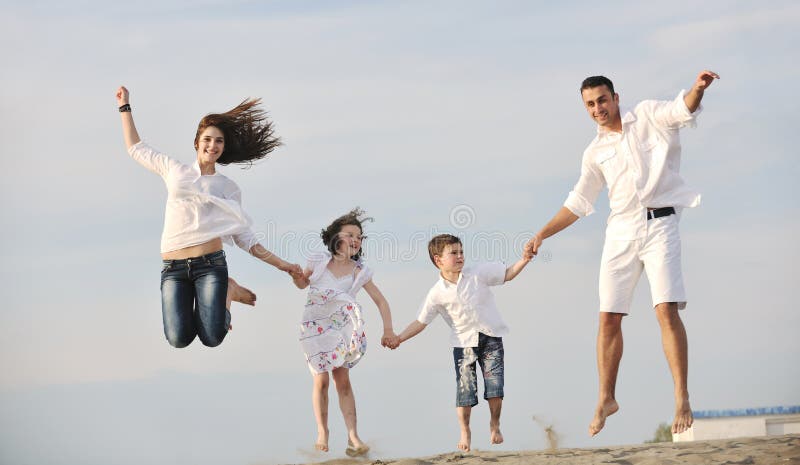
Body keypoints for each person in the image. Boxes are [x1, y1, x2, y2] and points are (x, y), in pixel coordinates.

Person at [524, 71, 720, 436]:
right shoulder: (594, 152)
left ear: (615, 97)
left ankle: (681, 396)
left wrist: (697, 90)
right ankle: (606, 397)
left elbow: (682, 110)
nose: (597, 108)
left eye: (602, 100)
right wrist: (542, 234)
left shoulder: (647, 115)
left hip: (660, 225)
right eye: (590, 104)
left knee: (665, 309)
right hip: (620, 231)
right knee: (608, 318)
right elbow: (578, 202)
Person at [116, 86, 303, 348]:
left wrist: (284, 265)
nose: (212, 145)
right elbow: (136, 147)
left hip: (210, 265)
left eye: (218, 141)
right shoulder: (174, 170)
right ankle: (226, 292)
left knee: (213, 337)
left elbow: (245, 239)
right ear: (197, 142)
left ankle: (228, 289)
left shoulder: (228, 187)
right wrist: (125, 107)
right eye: (207, 139)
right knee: (178, 339)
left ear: (223, 148)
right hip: (174, 268)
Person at [392, 234, 533, 452]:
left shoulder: (478, 273)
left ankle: (495, 425)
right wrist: (400, 337)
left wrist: (524, 259)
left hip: (491, 337)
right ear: (438, 260)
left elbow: (507, 274)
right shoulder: (436, 293)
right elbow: (421, 321)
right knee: (465, 391)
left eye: (461, 252)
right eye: (453, 253)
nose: (460, 256)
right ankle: (465, 430)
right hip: (463, 343)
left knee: (495, 387)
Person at [291, 208, 398, 457]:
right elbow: (302, 284)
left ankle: (353, 437)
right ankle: (322, 431)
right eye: (350, 234)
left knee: (343, 381)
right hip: (315, 327)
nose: (356, 240)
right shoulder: (318, 260)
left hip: (341, 329)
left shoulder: (359, 271)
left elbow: (380, 301)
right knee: (321, 380)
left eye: (359, 237)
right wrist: (296, 276)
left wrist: (388, 329)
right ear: (334, 237)